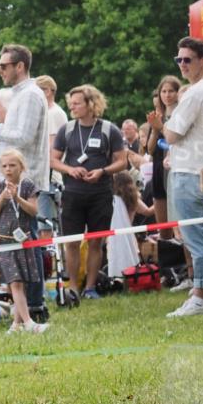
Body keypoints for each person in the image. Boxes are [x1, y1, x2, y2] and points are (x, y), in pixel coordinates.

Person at [0, 44, 50, 316]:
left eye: (4, 65)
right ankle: (24, 306)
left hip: (24, 179)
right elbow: (12, 135)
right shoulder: (19, 95)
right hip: (10, 177)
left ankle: (35, 305)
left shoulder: (29, 95)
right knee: (15, 240)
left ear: (20, 66)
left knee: (27, 240)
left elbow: (24, 137)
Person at [151, 38, 203, 317]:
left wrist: (159, 126)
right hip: (199, 169)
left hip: (191, 171)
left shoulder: (196, 92)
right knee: (202, 236)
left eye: (187, 60)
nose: (182, 65)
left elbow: (172, 134)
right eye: (178, 60)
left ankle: (201, 296)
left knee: (196, 237)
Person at [51, 84, 128, 301]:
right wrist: (70, 169)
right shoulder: (66, 130)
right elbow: (53, 159)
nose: (72, 107)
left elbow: (122, 161)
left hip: (100, 193)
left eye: (76, 103)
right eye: (70, 104)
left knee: (96, 242)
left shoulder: (109, 129)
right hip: (73, 193)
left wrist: (102, 171)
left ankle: (91, 287)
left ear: (90, 104)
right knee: (72, 242)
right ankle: (73, 287)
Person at [0, 150, 48, 333]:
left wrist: (17, 198)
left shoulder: (28, 185)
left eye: (12, 165)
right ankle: (29, 322)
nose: (8, 170)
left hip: (23, 241)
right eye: (4, 166)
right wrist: (3, 198)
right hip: (4, 242)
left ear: (21, 167)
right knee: (14, 282)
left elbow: (33, 211)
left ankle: (16, 324)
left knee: (20, 282)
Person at [147, 78, 181, 240]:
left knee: (181, 229)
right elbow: (150, 149)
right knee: (164, 229)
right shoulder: (157, 116)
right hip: (159, 172)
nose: (167, 95)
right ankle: (169, 264)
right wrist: (155, 129)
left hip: (178, 171)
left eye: (171, 91)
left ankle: (188, 264)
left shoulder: (182, 115)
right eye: (164, 91)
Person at [34, 75, 67, 239]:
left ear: (47, 91)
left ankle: (47, 262)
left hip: (49, 177)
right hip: (48, 175)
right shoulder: (51, 112)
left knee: (45, 226)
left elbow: (51, 149)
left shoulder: (53, 113)